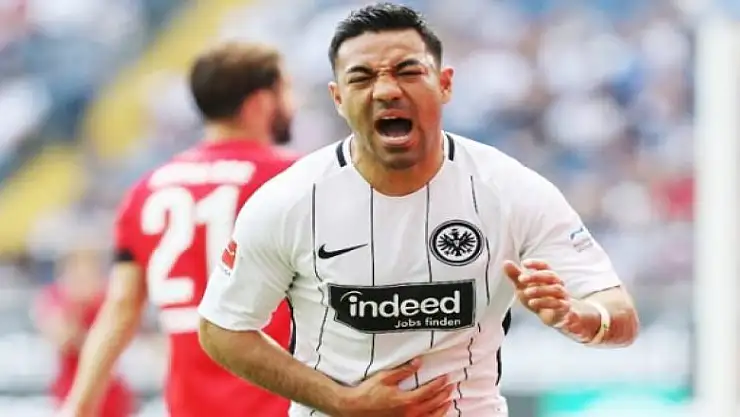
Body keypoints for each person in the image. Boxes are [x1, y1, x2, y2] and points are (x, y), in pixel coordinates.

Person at [197, 3, 640, 417]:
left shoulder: (511, 190)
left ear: (444, 83)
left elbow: (618, 313)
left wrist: (579, 317)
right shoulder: (290, 200)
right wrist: (342, 402)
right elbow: (222, 328)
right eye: (361, 78)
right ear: (338, 98)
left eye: (408, 72)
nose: (387, 91)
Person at [59, 41, 299, 417]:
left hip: (190, 405)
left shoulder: (147, 190)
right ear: (261, 102)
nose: (293, 104)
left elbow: (120, 309)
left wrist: (77, 408)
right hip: (281, 403)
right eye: (286, 90)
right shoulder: (296, 181)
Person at [33, 247, 136, 417]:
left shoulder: (108, 299)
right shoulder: (56, 298)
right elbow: (62, 336)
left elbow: (117, 339)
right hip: (69, 390)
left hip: (109, 393)